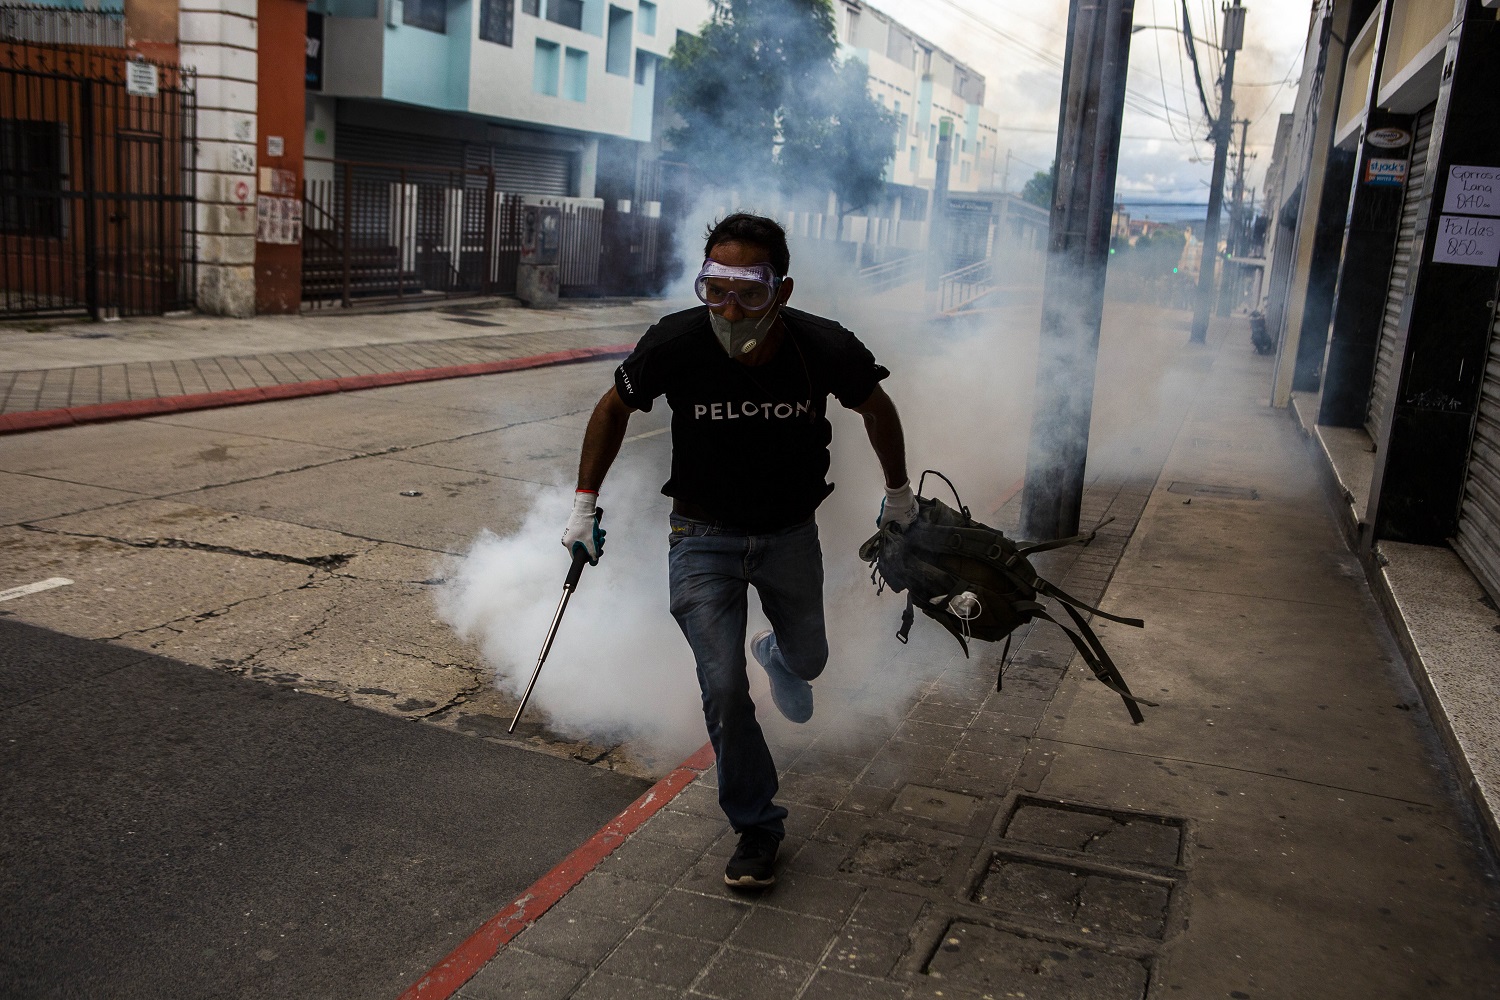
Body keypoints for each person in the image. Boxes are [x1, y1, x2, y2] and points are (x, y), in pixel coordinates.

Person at [562, 213, 916, 889]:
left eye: (748, 293)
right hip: (702, 538)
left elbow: (878, 409)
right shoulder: (678, 342)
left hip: (788, 536)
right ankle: (757, 827)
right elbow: (612, 408)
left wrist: (898, 496)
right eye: (715, 289)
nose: (730, 309)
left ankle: (777, 656)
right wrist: (584, 505)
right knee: (722, 691)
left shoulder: (821, 346)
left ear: (780, 291)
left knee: (809, 660)